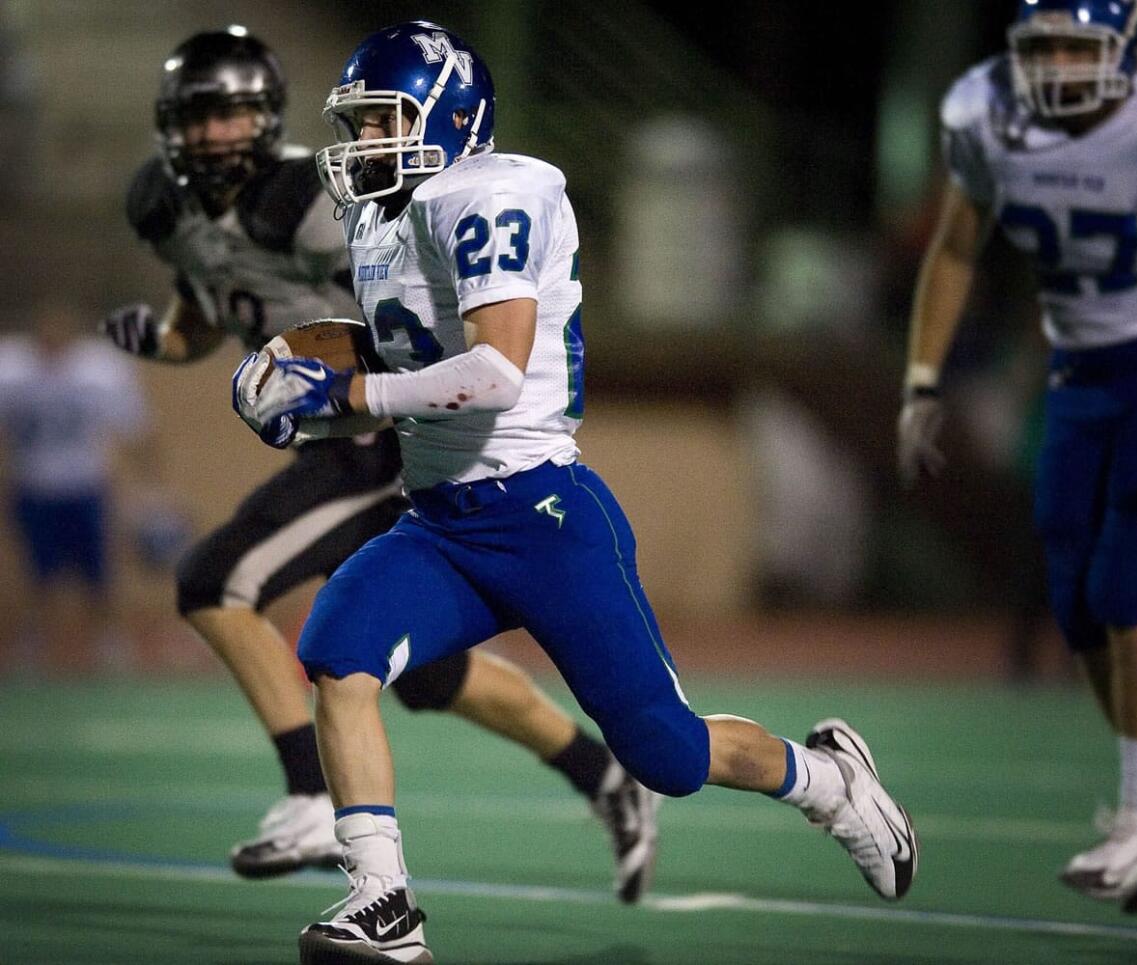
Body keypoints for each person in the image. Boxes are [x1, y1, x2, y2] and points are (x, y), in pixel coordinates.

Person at [242, 20, 917, 964]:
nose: (364, 144)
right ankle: (383, 903)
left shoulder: (487, 192)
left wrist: (349, 390)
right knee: (338, 650)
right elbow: (410, 372)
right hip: (442, 522)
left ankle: (826, 779)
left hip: (543, 517)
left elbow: (495, 372)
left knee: (668, 757)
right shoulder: (379, 217)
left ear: (448, 119)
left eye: (383, 121)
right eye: (356, 125)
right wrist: (310, 402)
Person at [104, 26, 658, 900]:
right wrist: (172, 340)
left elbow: (388, 319)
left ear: (266, 116)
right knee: (427, 674)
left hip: (374, 435)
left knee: (215, 583)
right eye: (197, 118)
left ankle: (310, 795)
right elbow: (213, 302)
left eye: (230, 113)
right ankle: (603, 777)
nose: (212, 134)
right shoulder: (166, 206)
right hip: (358, 428)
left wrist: (334, 384)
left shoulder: (321, 200)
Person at [898, 0, 1137, 914]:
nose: (1058, 66)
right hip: (1076, 367)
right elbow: (959, 247)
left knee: (1125, 587)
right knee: (1076, 601)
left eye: (1078, 45)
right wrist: (923, 376)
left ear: (1127, 48)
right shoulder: (989, 114)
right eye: (1043, 46)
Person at [0, 298, 147, 673]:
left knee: (98, 574)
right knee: (36, 574)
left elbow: (134, 429)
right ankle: (31, 646)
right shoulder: (13, 371)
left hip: (85, 485)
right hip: (33, 486)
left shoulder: (97, 371)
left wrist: (150, 486)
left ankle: (109, 644)